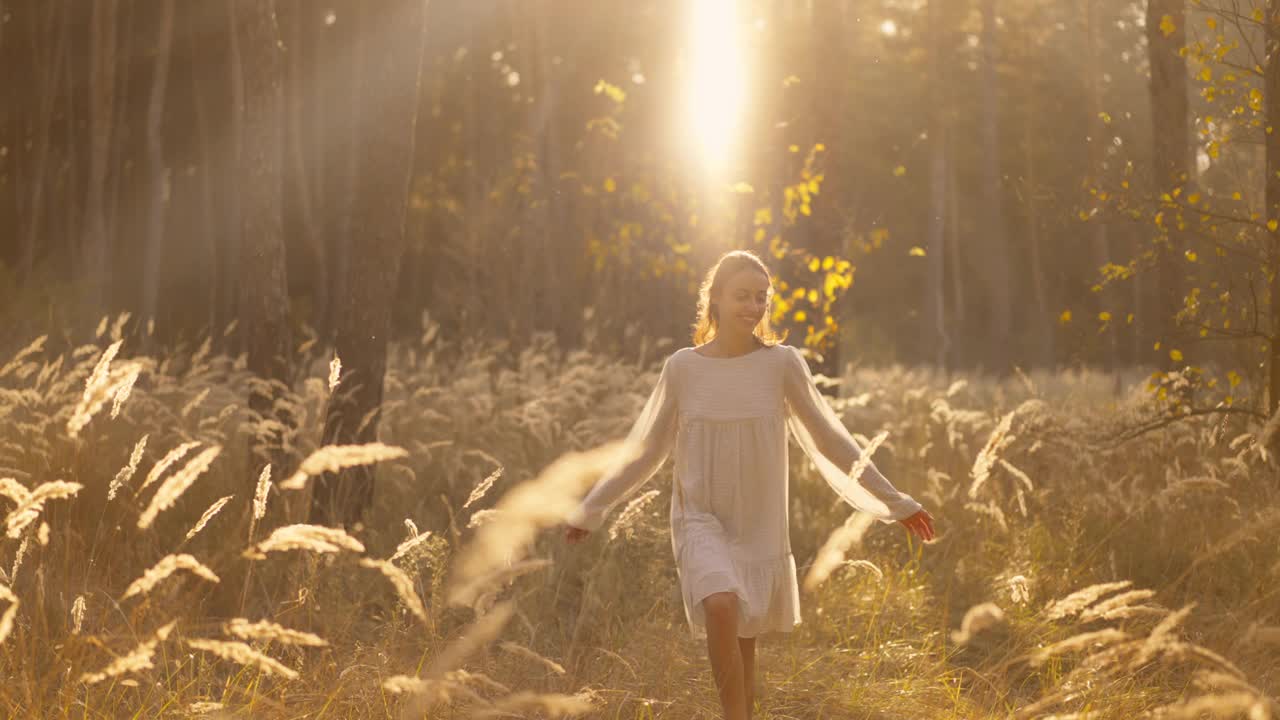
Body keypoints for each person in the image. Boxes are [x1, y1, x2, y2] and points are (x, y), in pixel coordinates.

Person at [562, 249, 936, 720]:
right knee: (721, 604)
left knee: (744, 641)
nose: (754, 308)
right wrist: (592, 507)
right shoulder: (683, 368)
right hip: (700, 516)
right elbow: (646, 452)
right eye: (742, 296)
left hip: (758, 521)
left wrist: (894, 501)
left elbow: (831, 439)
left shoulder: (781, 364)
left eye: (761, 298)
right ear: (714, 299)